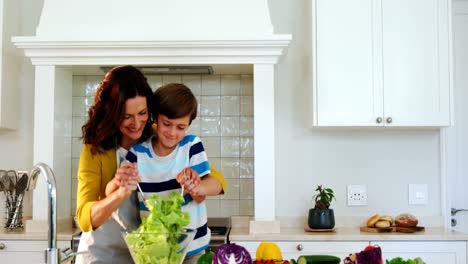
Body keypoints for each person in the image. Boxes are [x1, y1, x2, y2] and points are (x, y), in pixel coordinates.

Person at [130, 83, 224, 264]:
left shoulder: (191, 146)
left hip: (193, 247)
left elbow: (203, 193)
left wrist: (195, 186)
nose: (173, 132)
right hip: (157, 250)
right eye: (167, 124)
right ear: (155, 117)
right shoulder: (137, 153)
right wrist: (123, 179)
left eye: (181, 127)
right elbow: (119, 185)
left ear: (189, 124)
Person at [75, 65, 155, 264]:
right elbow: (84, 218)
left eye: (142, 113)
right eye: (127, 116)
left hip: (144, 257)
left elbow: (208, 173)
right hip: (101, 257)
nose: (137, 123)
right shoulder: (95, 150)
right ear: (112, 113)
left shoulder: (157, 137)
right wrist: (118, 193)